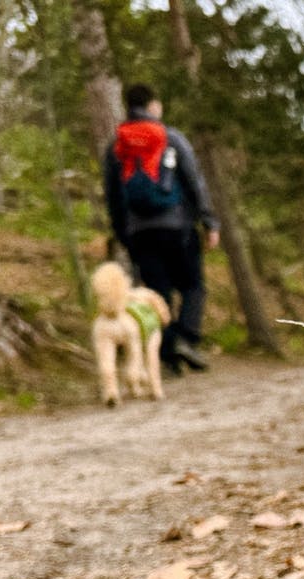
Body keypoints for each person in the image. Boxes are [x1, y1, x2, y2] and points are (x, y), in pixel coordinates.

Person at [103, 83, 220, 375]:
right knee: (193, 285)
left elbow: (113, 195)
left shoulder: (116, 147)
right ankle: (186, 337)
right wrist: (209, 221)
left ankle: (168, 355)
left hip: (139, 232)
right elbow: (194, 181)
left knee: (158, 292)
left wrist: (123, 233)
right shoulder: (171, 138)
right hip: (178, 226)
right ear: (153, 105)